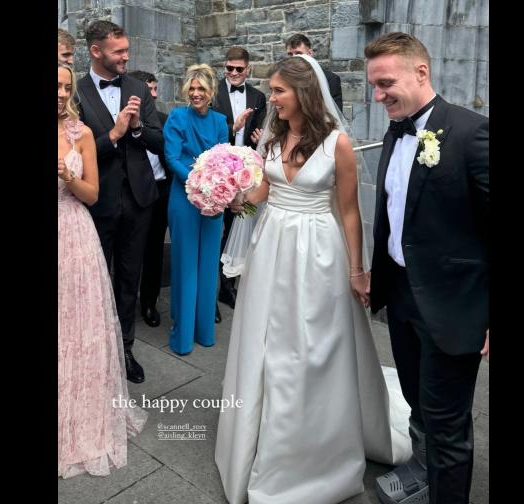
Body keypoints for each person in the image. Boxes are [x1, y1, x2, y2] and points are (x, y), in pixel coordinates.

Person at [214, 55, 410, 504]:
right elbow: (259, 196)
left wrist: (357, 270)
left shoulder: (337, 143)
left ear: (303, 92)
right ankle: (260, 437)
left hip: (320, 250)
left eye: (279, 90)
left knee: (314, 344)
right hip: (272, 248)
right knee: (269, 342)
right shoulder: (270, 139)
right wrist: (230, 195)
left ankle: (318, 443)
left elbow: (349, 211)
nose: (273, 98)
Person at [365, 32, 489, 504]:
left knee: (448, 423)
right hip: (401, 295)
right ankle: (423, 472)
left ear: (421, 73)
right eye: (373, 86)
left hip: (454, 305)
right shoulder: (396, 132)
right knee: (419, 402)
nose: (378, 97)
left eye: (385, 83)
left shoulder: (472, 133)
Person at [57, 63, 147, 479]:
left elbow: (92, 194)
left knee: (80, 325)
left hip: (74, 232)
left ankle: (86, 406)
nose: (60, 93)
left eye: (64, 87)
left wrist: (69, 177)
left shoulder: (80, 134)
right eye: (54, 86)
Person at [75, 21, 165, 384]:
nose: (126, 56)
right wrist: (113, 134)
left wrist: (138, 128)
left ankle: (125, 348)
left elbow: (160, 141)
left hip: (140, 200)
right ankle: (91, 350)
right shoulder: (76, 93)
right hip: (98, 203)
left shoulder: (138, 88)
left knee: (130, 277)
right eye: (119, 51)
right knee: (93, 281)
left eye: (127, 50)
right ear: (96, 51)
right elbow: (74, 159)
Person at [164, 64, 229, 355]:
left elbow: (224, 158)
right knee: (186, 264)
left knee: (208, 265)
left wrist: (215, 189)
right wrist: (197, 182)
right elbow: (171, 156)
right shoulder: (177, 117)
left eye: (201, 88)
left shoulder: (220, 121)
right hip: (185, 198)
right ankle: (183, 335)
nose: (195, 93)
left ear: (211, 91)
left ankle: (204, 331)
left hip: (214, 201)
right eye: (192, 88)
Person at [211, 46, 268, 311]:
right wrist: (232, 129)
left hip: (246, 173)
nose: (233, 73)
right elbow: (208, 129)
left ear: (248, 69)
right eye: (229, 68)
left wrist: (260, 139)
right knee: (216, 228)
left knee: (239, 225)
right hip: (219, 170)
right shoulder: (213, 92)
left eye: (239, 69)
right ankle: (211, 288)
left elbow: (263, 129)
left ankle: (228, 285)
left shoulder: (258, 96)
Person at [128, 70, 170, 329]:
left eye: (155, 89)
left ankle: (149, 303)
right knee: (131, 250)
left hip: (161, 189)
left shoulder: (164, 119)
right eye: (148, 89)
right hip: (134, 191)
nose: (153, 94)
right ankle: (126, 301)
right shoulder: (121, 120)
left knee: (155, 249)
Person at [285, 33, 342, 110]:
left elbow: (335, 113)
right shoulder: (284, 78)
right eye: (290, 54)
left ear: (310, 53)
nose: (294, 58)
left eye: (298, 53)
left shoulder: (331, 79)